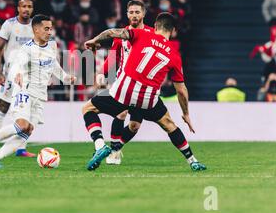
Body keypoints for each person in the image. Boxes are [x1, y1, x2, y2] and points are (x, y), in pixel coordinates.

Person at [82, 12, 206, 171]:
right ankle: (192, 161)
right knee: (169, 124)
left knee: (88, 109)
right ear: (173, 31)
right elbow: (181, 90)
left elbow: (112, 32)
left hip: (125, 92)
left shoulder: (141, 34)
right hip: (148, 99)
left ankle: (100, 145)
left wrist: (95, 40)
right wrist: (186, 113)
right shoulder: (175, 55)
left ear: (155, 27)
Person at [0, 15, 76, 169]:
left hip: (40, 97)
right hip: (24, 91)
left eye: (50, 29)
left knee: (27, 131)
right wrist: (19, 72)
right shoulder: (27, 48)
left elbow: (56, 68)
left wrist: (67, 78)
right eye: (46, 29)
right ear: (35, 29)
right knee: (21, 125)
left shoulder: (51, 48)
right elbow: (19, 63)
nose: (49, 32)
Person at [96, 0, 153, 165]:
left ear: (143, 14)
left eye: (137, 12)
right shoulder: (121, 34)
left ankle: (117, 147)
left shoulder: (152, 33)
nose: (134, 15)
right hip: (123, 83)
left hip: (143, 86)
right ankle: (114, 153)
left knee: (134, 125)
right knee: (120, 113)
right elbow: (113, 56)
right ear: (127, 14)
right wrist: (102, 73)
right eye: (131, 12)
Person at [0, 0, 36, 158]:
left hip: (28, 75)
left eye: (29, 6)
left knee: (26, 110)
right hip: (10, 74)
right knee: (3, 108)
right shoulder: (9, 25)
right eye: (24, 6)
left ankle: (20, 148)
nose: (26, 9)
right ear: (18, 8)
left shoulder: (36, 26)